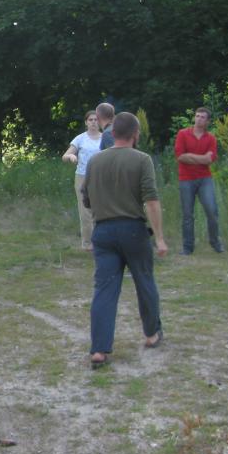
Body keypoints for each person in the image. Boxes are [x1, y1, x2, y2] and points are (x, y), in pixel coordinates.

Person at [81, 111, 168, 368]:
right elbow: (151, 200)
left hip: (103, 232)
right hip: (133, 230)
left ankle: (99, 350)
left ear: (113, 133)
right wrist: (160, 238)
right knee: (144, 281)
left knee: (105, 289)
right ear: (135, 135)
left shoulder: (95, 161)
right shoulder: (142, 160)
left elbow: (86, 199)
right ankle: (152, 334)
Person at [174, 106, 224, 254]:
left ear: (208, 121)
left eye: (202, 117)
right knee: (187, 214)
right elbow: (180, 156)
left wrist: (192, 157)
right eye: (197, 116)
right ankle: (188, 247)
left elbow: (210, 159)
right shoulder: (183, 134)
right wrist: (201, 158)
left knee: (212, 211)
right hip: (186, 178)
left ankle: (215, 242)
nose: (198, 119)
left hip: (204, 179)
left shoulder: (211, 138)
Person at [62, 110, 103, 250]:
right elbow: (65, 155)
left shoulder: (105, 139)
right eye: (90, 120)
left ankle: (101, 242)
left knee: (100, 210)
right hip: (82, 176)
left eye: (96, 120)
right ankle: (87, 244)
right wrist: (71, 157)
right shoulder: (80, 139)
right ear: (86, 122)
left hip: (101, 177)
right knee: (85, 211)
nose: (93, 122)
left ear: (100, 122)